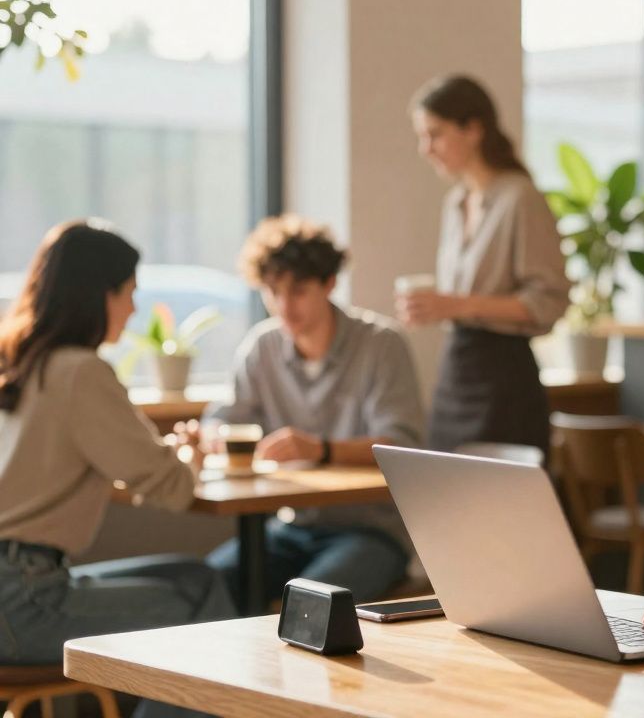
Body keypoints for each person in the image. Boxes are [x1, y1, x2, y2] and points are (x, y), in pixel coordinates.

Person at [0, 220, 234, 718]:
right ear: (98, 294)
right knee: (201, 604)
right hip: (21, 599)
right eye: (128, 292)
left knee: (201, 579)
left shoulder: (19, 363)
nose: (132, 308)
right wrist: (190, 451)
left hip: (20, 585)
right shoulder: (81, 371)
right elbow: (170, 487)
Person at [203, 215, 424, 605]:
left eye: (298, 290)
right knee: (208, 586)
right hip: (289, 526)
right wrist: (211, 437)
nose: (284, 306)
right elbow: (222, 418)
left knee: (310, 604)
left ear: (329, 284)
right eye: (273, 291)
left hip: (371, 531)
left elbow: (400, 446)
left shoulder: (381, 344)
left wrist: (320, 449)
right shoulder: (263, 347)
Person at [402, 74, 570, 456]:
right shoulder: (456, 202)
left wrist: (456, 305)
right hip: (456, 372)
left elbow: (549, 302)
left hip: (505, 378)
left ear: (474, 129)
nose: (426, 149)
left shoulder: (520, 198)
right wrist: (439, 308)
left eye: (435, 134)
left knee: (500, 505)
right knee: (442, 496)